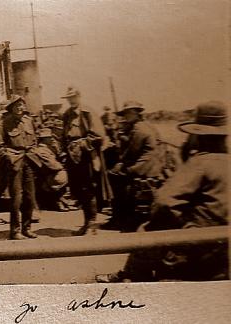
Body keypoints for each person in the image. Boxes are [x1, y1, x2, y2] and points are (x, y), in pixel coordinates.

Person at [121, 101, 229, 282]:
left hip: (201, 247)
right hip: (224, 245)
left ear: (198, 136)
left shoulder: (200, 163)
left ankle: (130, 282)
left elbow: (163, 203)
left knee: (145, 230)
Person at [106, 100, 165, 231]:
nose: (125, 117)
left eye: (128, 113)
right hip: (152, 164)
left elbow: (131, 153)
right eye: (125, 114)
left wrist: (120, 159)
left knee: (113, 175)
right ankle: (122, 216)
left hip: (144, 166)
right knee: (117, 171)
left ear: (135, 113)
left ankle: (119, 218)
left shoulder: (139, 129)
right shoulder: (145, 125)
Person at [61, 86, 109, 236]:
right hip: (72, 156)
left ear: (79, 96)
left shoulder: (88, 112)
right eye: (68, 98)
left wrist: (82, 144)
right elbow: (64, 135)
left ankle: (92, 224)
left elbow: (98, 135)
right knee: (78, 190)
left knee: (89, 188)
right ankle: (86, 222)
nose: (70, 100)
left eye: (73, 97)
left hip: (87, 155)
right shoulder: (67, 114)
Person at [0, 95, 39, 240]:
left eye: (21, 105)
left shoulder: (28, 121)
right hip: (14, 163)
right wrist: (8, 158)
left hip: (29, 161)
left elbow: (34, 140)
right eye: (16, 105)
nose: (20, 108)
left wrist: (33, 152)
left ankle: (27, 228)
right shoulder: (4, 123)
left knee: (29, 196)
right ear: (11, 108)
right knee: (16, 198)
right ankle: (15, 231)